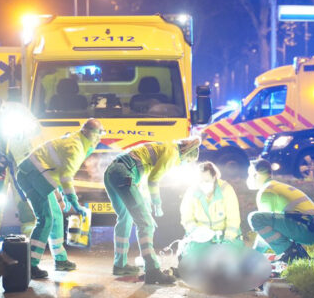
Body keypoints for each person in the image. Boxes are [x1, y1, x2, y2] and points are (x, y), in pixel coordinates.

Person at [104, 137, 201, 284]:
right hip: (125, 173)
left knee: (125, 218)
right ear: (187, 154)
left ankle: (120, 265)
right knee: (146, 224)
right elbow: (153, 180)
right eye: (188, 162)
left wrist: (146, 201)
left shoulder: (166, 145)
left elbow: (143, 176)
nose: (184, 165)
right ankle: (152, 270)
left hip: (113, 171)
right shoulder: (173, 154)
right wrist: (157, 203)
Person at [16, 118, 104, 279]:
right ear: (88, 133)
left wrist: (62, 197)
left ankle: (61, 260)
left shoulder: (77, 142)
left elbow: (58, 171)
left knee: (55, 216)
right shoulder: (76, 147)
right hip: (31, 176)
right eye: (98, 134)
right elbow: (66, 177)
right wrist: (74, 203)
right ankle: (30, 265)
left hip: (37, 176)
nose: (99, 138)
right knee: (46, 219)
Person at [247, 158, 314, 262]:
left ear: (256, 174)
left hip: (304, 227)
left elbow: (264, 228)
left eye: (249, 174)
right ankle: (297, 252)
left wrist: (254, 255)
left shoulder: (266, 191)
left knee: (255, 218)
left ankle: (290, 252)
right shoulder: (274, 186)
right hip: (312, 228)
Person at [179, 161, 241, 244]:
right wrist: (195, 231)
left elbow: (233, 218)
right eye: (201, 181)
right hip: (200, 237)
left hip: (224, 234)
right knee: (193, 255)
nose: (203, 184)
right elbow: (187, 217)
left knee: (230, 254)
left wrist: (228, 239)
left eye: (207, 181)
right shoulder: (192, 191)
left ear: (214, 177)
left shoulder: (226, 190)